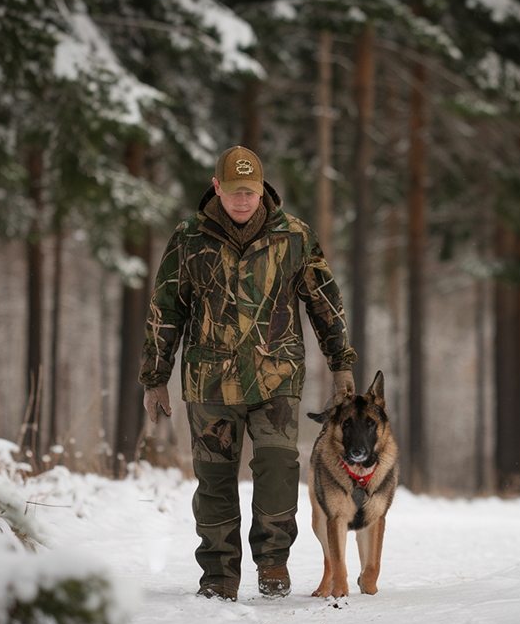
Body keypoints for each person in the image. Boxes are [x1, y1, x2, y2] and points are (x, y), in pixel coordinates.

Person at [140, 145, 357, 601]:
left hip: (276, 378)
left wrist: (341, 365)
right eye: (235, 191)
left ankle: (273, 563)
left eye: (252, 192)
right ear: (217, 187)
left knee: (278, 468)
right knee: (214, 478)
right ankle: (219, 575)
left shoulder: (293, 236)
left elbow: (324, 301)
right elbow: (166, 308)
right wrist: (155, 377)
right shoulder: (188, 238)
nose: (243, 200)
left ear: (263, 190)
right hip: (209, 381)